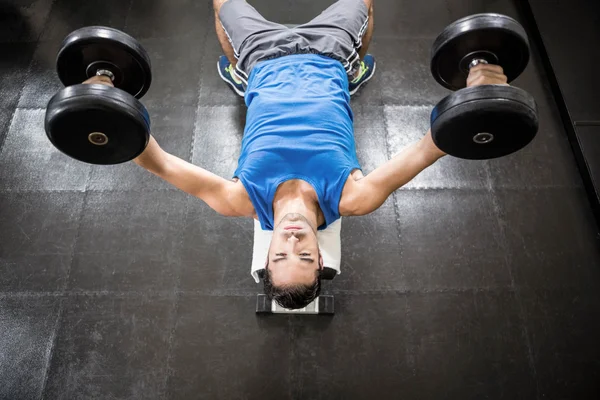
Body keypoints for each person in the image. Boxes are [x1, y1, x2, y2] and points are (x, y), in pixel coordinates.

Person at [85, 0, 509, 310]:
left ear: (266, 255)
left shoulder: (240, 200)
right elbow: (429, 146)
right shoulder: (352, 198)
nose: (291, 240)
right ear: (320, 257)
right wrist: (480, 85)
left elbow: (153, 159)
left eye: (280, 254)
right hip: (331, 54)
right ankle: (356, 67)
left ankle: (238, 71)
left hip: (261, 55)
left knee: (222, 5)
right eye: (304, 256)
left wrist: (103, 97)